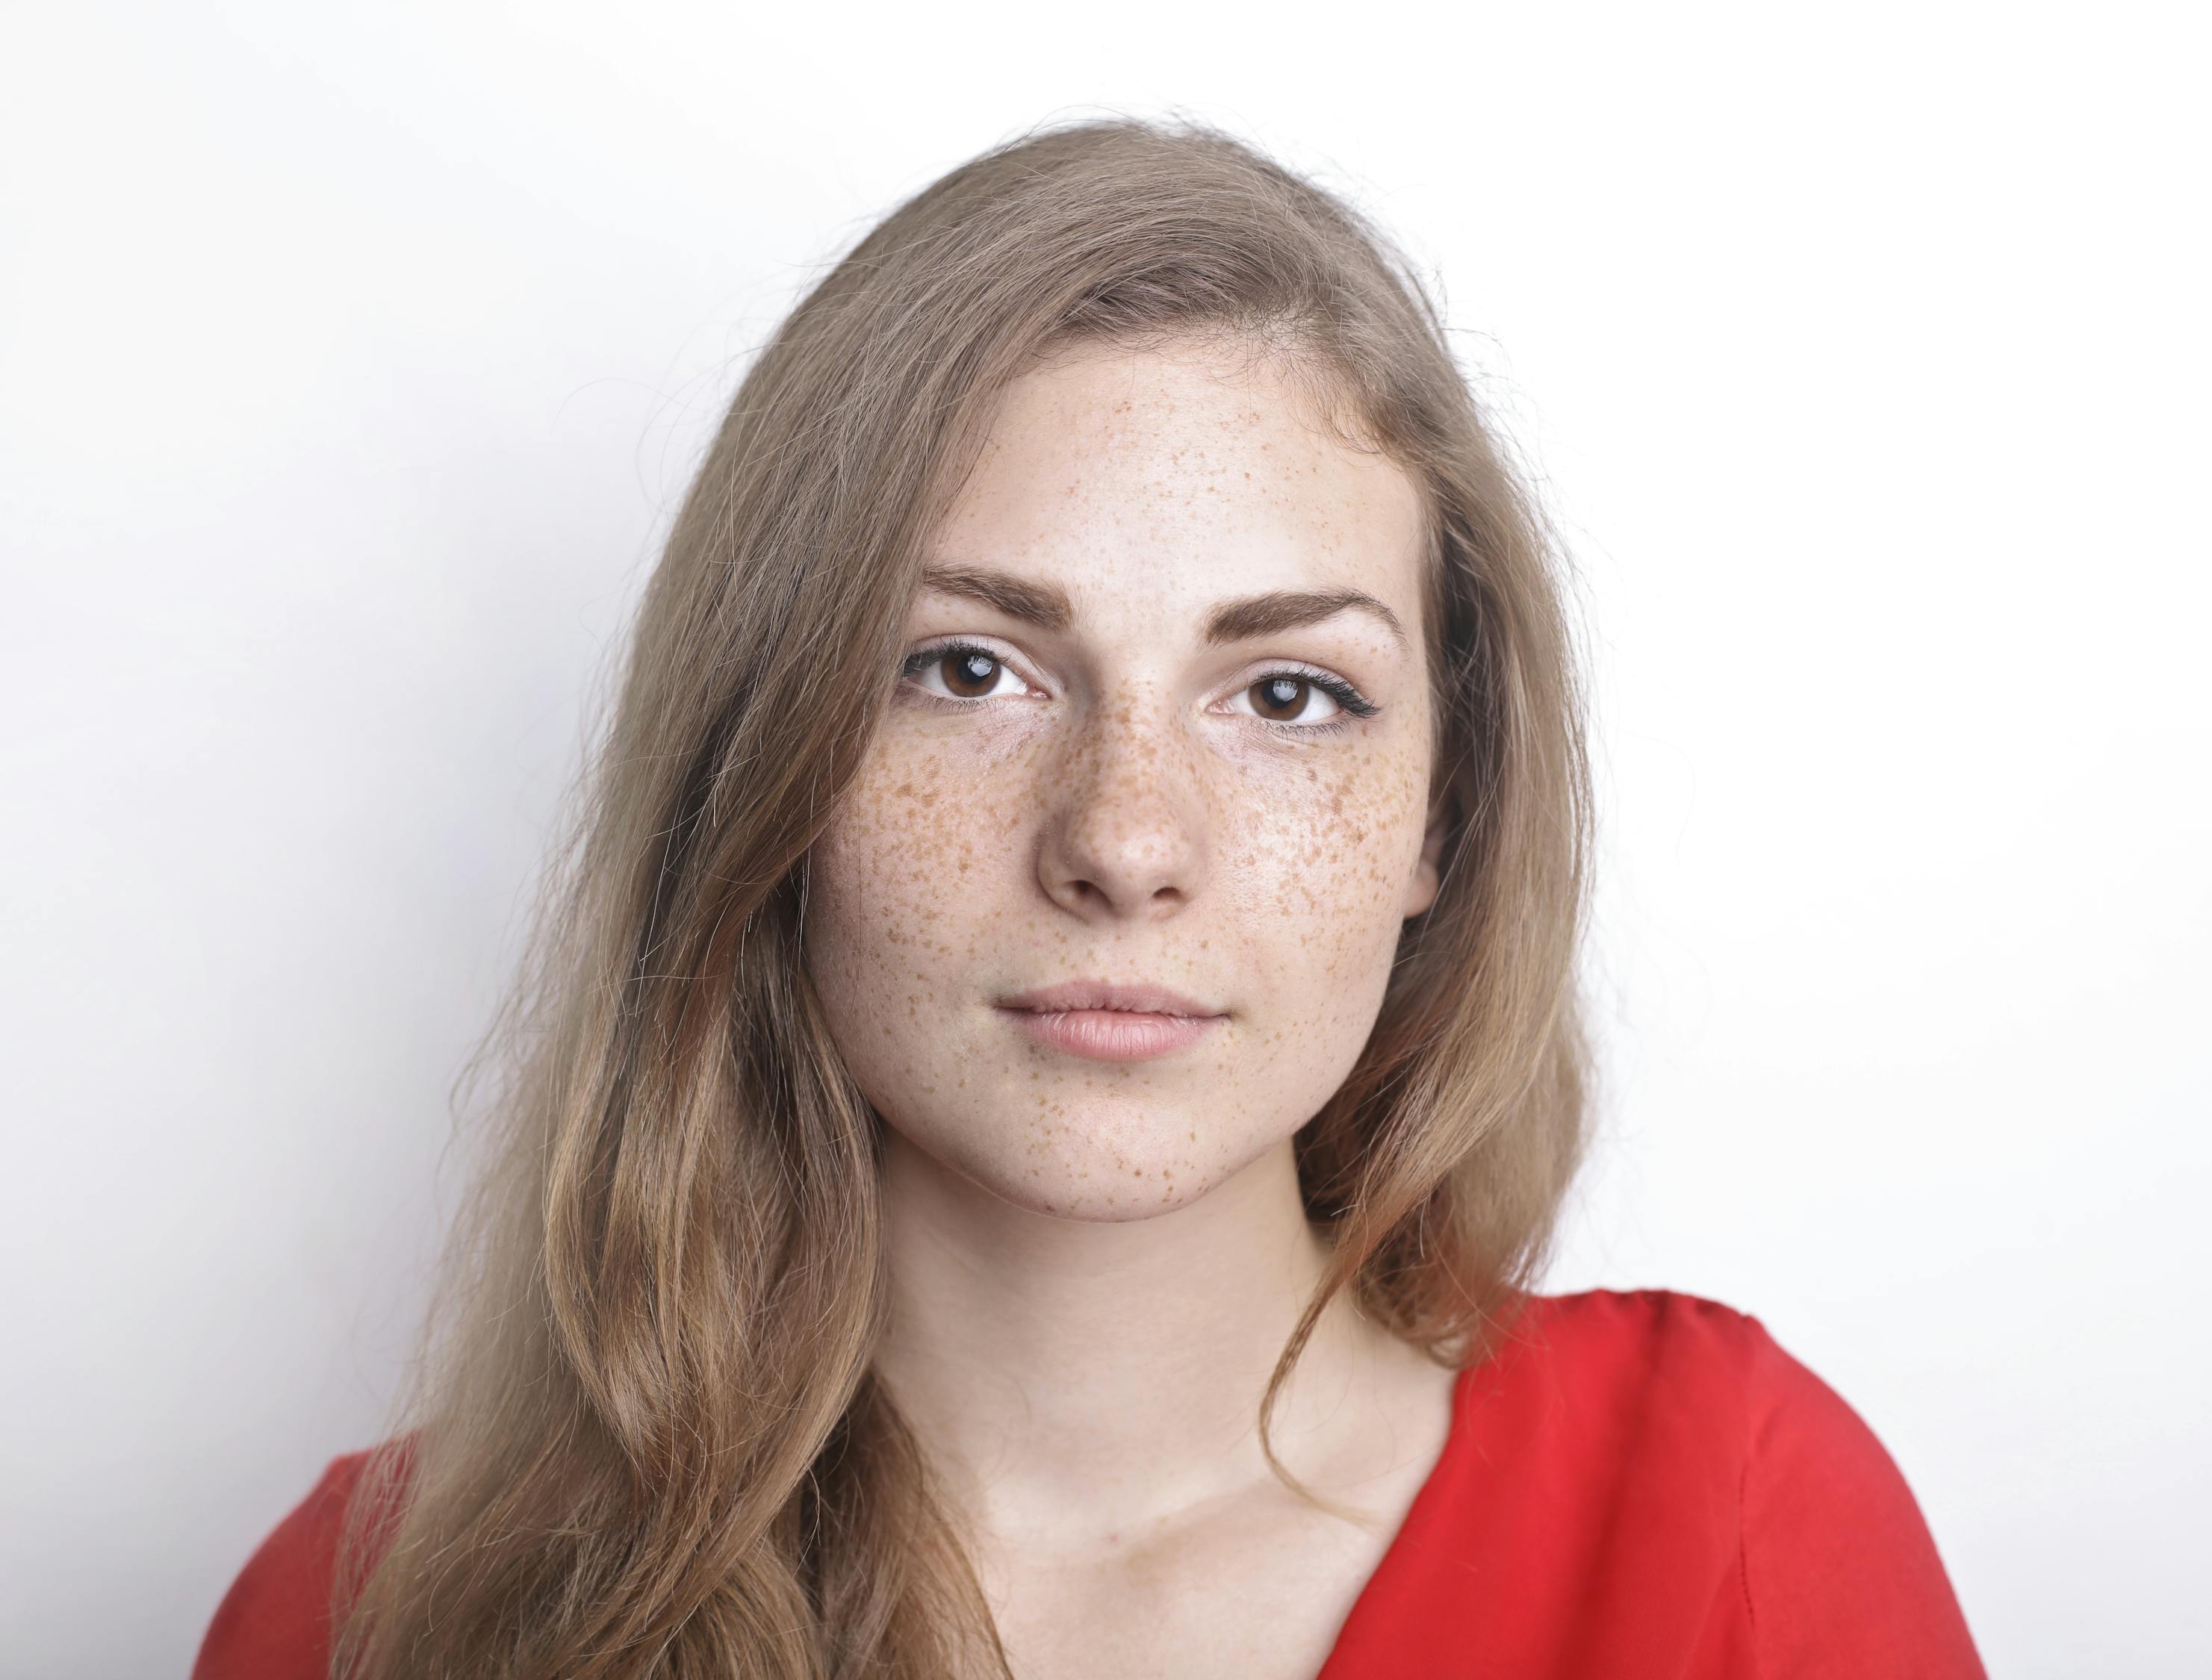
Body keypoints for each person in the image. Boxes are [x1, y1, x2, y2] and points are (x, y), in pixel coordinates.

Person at [191, 116, 1987, 1679]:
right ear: (768, 768)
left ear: (1444, 813)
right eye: (967, 671)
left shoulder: (1727, 1527)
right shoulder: (366, 1616)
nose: (1125, 839)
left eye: (1288, 695)